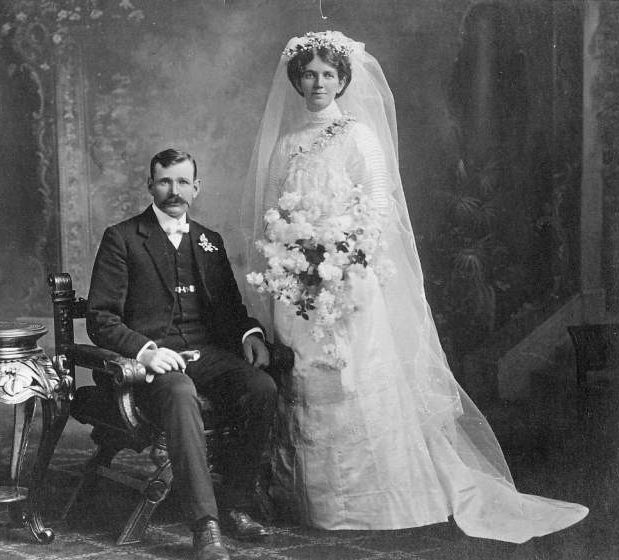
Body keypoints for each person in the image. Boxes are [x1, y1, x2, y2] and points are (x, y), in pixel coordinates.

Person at [241, 31, 588, 543]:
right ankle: (306, 500)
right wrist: (294, 262)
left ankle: (370, 504)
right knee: (305, 384)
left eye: (328, 75)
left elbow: (379, 206)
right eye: (309, 74)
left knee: (351, 382)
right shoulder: (287, 144)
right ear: (296, 80)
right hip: (298, 289)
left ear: (343, 81)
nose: (318, 84)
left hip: (348, 283)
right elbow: (274, 215)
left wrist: (341, 255)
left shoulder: (359, 136)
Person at [87, 148, 277, 560]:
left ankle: (237, 503)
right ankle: (205, 525)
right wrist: (145, 351)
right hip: (155, 364)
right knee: (179, 391)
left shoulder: (209, 241)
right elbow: (100, 318)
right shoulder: (122, 238)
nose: (174, 191)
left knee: (261, 387)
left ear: (196, 188)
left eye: (182, 182)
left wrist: (250, 334)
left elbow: (230, 310)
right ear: (150, 185)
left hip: (205, 354)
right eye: (165, 181)